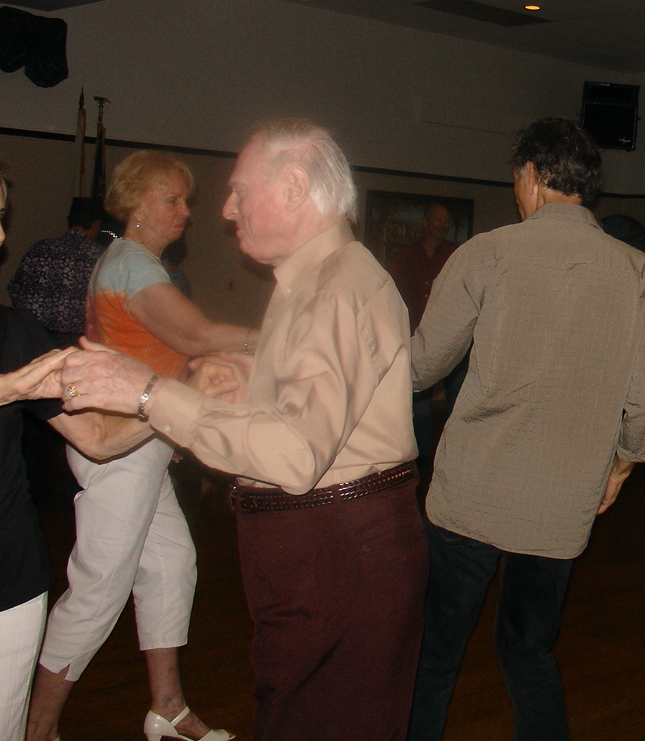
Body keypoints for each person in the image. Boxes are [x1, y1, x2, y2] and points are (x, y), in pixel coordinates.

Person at [54, 121, 428, 741]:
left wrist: (148, 394)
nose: (227, 211)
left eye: (239, 191)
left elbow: (296, 453)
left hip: (337, 555)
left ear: (294, 188)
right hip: (331, 551)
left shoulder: (335, 290)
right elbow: (320, 417)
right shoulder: (314, 282)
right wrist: (252, 389)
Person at [407, 117, 645, 741]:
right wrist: (623, 466)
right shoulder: (637, 272)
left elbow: (420, 368)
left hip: (472, 492)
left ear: (530, 174)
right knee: (528, 653)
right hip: (562, 501)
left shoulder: (487, 253)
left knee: (436, 651)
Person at [27, 152, 252, 741]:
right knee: (98, 590)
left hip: (139, 447)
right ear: (135, 204)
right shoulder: (131, 263)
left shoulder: (137, 263)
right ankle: (35, 728)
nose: (185, 212)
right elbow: (198, 336)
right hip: (117, 447)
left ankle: (167, 710)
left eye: (186, 201)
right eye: (171, 199)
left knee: (171, 564)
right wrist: (288, 336)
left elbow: (170, 353)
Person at [0, 169, 73, 741]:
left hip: (11, 580)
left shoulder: (15, 330)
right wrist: (7, 389)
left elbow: (96, 437)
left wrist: (164, 403)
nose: (1, 237)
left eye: (1, 218)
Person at [387, 202, 462, 456]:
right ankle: (422, 459)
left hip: (452, 338)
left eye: (446, 221)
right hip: (414, 339)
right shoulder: (406, 256)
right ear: (425, 222)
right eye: (438, 220)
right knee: (418, 403)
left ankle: (452, 455)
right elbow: (390, 292)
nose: (443, 225)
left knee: (457, 401)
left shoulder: (455, 255)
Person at [7, 196, 104, 345]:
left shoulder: (39, 248)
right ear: (96, 224)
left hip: (31, 338)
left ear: (69, 220)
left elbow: (15, 292)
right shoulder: (99, 256)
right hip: (74, 343)